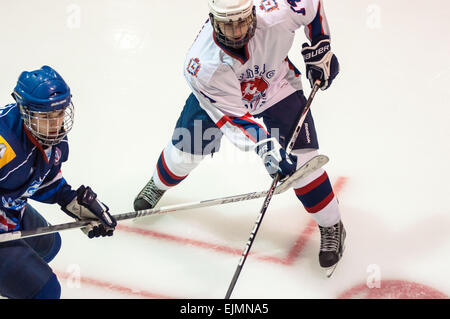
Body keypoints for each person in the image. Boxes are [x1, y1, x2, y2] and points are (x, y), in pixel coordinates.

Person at [134, 0, 345, 275]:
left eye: (241, 22)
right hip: (222, 101)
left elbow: (312, 7)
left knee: (303, 164)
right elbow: (235, 119)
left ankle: (332, 224)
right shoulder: (202, 65)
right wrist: (266, 147)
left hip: (275, 86)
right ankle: (158, 183)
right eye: (227, 24)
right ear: (212, 19)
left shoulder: (278, 13)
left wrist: (321, 46)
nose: (235, 32)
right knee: (183, 155)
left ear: (253, 12)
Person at [0, 66, 117, 299]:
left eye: (60, 113)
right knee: (46, 291)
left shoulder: (49, 138)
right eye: (46, 117)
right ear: (26, 112)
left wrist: (73, 202)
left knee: (49, 245)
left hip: (10, 209)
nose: (56, 124)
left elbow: (41, 181)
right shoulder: (6, 146)